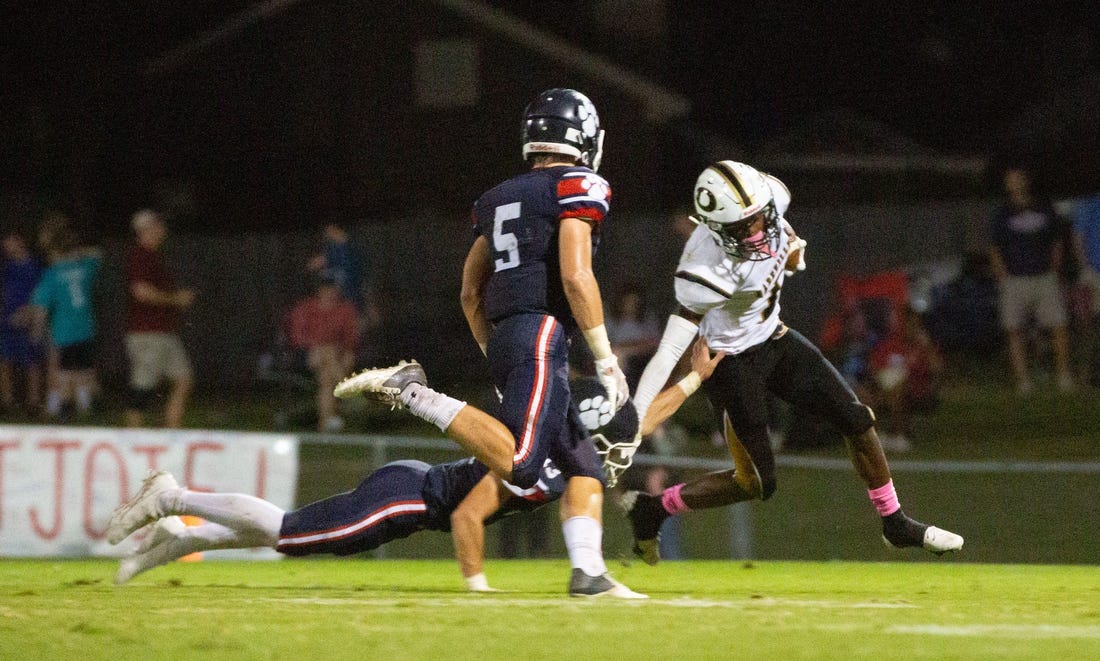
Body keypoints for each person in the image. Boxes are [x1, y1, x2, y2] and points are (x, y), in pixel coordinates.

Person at [332, 89, 640, 598]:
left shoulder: (498, 197)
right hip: (541, 334)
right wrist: (606, 358)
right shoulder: (578, 185)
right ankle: (413, 392)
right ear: (583, 137)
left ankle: (588, 571)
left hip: (512, 337)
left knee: (582, 464)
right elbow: (576, 276)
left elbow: (470, 290)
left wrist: (498, 352)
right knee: (520, 462)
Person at [107, 354, 720, 590]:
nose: (613, 453)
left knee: (294, 538)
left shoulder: (565, 454)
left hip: (414, 497)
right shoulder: (545, 459)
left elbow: (640, 420)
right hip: (412, 495)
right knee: (295, 533)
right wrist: (476, 592)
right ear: (579, 431)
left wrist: (695, 378)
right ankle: (174, 496)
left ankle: (187, 534)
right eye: (602, 440)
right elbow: (469, 517)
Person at [621, 160, 964, 565]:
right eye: (742, 227)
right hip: (728, 362)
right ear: (715, 229)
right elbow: (666, 354)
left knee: (856, 418)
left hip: (773, 337)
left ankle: (895, 522)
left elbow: (784, 255)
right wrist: (633, 420)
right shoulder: (704, 268)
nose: (756, 231)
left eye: (759, 219)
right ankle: (653, 509)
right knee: (756, 484)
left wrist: (794, 257)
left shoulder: (771, 203)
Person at [988, 168, 1074, 395]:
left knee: (1058, 325)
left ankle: (1063, 375)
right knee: (1014, 330)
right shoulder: (1003, 214)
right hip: (1015, 279)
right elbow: (995, 246)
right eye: (1011, 180)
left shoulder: (1044, 209)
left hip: (1044, 277)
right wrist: (1002, 272)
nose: (1015, 183)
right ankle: (1023, 380)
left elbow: (1056, 241)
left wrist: (1054, 268)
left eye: (1019, 178)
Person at [124, 209, 196, 428]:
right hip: (147, 333)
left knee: (183, 379)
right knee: (143, 388)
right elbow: (140, 292)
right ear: (146, 229)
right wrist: (176, 299)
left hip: (164, 331)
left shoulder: (154, 255)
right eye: (158, 225)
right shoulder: (140, 256)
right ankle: (131, 438)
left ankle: (171, 434)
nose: (162, 229)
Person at [28, 223, 102, 420]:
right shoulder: (84, 266)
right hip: (86, 328)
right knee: (85, 371)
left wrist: (36, 330)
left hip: (65, 331)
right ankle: (87, 408)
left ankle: (65, 412)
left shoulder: (52, 274)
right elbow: (98, 254)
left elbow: (41, 307)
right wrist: (77, 252)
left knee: (65, 373)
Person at [287, 276, 360, 432]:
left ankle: (326, 425)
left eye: (333, 290)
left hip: (337, 357)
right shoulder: (305, 308)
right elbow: (297, 337)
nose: (330, 293)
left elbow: (351, 338)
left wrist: (343, 351)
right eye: (326, 290)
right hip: (309, 354)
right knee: (326, 351)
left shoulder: (345, 310)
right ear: (319, 291)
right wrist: (317, 346)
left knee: (326, 379)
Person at [0, 231, 44, 417]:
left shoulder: (35, 266)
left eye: (9, 243)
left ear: (20, 241)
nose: (6, 248)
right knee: (4, 359)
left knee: (31, 361)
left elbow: (42, 293)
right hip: (6, 320)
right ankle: (6, 401)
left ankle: (33, 402)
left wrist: (29, 312)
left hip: (28, 319)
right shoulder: (6, 267)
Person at [1071, 192, 1100, 387]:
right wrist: (1086, 269)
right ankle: (1086, 375)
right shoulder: (1088, 204)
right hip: (1095, 272)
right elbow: (1078, 238)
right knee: (1091, 326)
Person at [307, 223, 365, 311]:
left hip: (351, 305)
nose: (328, 235)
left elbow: (361, 280)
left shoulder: (353, 249)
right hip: (328, 309)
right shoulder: (326, 247)